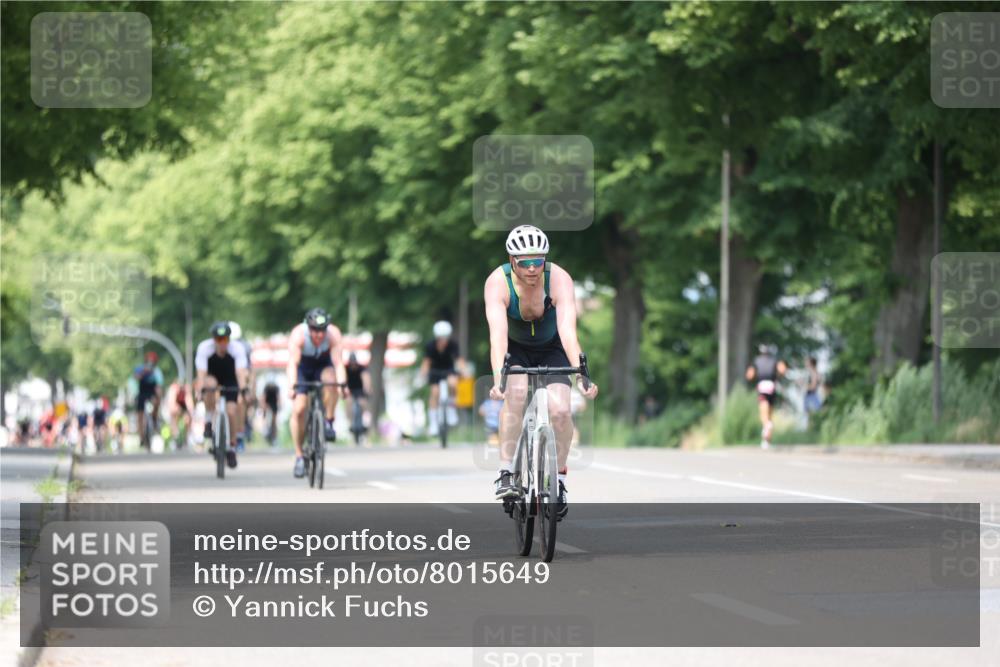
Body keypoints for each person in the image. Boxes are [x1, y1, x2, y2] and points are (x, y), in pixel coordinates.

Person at [484, 225, 599, 520]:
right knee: (517, 393)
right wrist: (500, 379)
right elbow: (497, 337)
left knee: (561, 411)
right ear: (512, 261)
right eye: (525, 263)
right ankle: (507, 471)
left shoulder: (559, 279)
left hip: (552, 346)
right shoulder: (498, 283)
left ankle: (558, 481)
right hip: (515, 348)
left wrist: (582, 377)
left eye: (538, 261)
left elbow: (568, 331)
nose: (533, 269)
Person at [287, 307, 347, 478]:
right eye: (315, 330)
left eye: (322, 331)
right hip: (303, 368)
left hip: (323, 366)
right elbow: (292, 363)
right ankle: (299, 456)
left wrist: (343, 385)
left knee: (332, 380)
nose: (319, 335)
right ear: (308, 327)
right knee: (299, 408)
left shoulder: (333, 334)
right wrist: (292, 386)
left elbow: (338, 363)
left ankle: (328, 421)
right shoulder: (298, 335)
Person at [195, 321, 247, 468]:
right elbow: (201, 374)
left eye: (225, 339)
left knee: (231, 411)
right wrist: (200, 390)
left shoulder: (237, 349)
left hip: (230, 378)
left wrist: (243, 389)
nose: (222, 343)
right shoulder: (204, 348)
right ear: (214, 339)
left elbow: (240, 372)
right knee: (209, 385)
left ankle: (231, 446)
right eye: (219, 339)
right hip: (212, 377)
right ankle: (209, 419)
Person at [420, 320, 467, 437]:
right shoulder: (430, 346)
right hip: (435, 371)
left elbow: (459, 360)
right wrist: (422, 375)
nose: (443, 340)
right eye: (441, 338)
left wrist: (463, 370)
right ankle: (433, 423)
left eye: (446, 337)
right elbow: (426, 363)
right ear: (437, 337)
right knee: (435, 393)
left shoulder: (453, 345)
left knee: (453, 383)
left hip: (448, 370)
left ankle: (451, 408)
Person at [745, 343, 787, 449]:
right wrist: (778, 376)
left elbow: (749, 375)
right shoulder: (774, 360)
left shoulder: (756, 361)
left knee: (764, 414)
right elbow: (783, 369)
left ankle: (766, 427)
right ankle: (766, 441)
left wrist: (752, 377)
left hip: (762, 385)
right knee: (770, 414)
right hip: (772, 386)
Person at [229, 321, 254, 450]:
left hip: (239, 375)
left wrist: (248, 389)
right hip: (225, 374)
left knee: (240, 400)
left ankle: (239, 433)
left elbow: (248, 371)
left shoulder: (244, 347)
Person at [134, 350, 164, 448]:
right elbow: (136, 377)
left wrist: (159, 396)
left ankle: (155, 420)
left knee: (156, 402)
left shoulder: (157, 371)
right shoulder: (140, 369)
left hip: (152, 393)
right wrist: (143, 373)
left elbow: (159, 385)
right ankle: (141, 436)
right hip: (142, 393)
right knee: (140, 415)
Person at [344, 353, 370, 443]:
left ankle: (366, 424)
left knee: (363, 404)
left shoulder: (362, 368)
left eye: (354, 363)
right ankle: (351, 424)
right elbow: (344, 380)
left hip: (360, 390)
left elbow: (366, 379)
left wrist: (367, 391)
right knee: (348, 403)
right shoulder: (345, 369)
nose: (353, 365)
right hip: (350, 391)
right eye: (351, 363)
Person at [166, 381, 191, 449]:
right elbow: (171, 404)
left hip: (183, 405)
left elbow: (189, 403)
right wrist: (177, 410)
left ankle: (187, 438)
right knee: (174, 418)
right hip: (175, 405)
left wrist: (189, 412)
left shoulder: (186, 388)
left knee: (188, 419)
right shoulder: (173, 389)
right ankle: (175, 437)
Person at [803, 356, 823, 426]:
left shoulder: (814, 373)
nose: (805, 363)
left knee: (811, 415)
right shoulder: (814, 373)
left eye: (807, 362)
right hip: (811, 395)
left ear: (811, 363)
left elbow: (813, 387)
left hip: (811, 396)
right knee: (810, 415)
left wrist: (803, 386)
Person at [261, 380, 280, 447]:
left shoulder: (276, 387)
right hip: (267, 402)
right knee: (264, 417)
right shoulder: (266, 387)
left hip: (274, 403)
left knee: (274, 421)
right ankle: (264, 429)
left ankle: (275, 437)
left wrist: (279, 404)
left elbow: (278, 397)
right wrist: (263, 407)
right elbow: (263, 397)